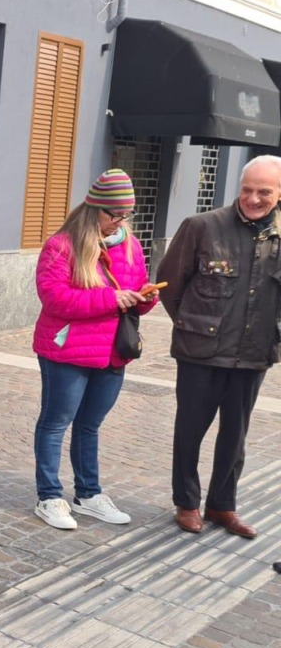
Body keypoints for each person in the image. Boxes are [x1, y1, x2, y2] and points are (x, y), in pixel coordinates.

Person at [156, 155, 281, 539]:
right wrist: (195, 326)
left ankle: (222, 505)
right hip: (201, 353)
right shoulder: (201, 227)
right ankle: (187, 502)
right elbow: (169, 285)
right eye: (247, 189)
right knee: (190, 431)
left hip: (254, 353)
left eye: (264, 191)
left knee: (235, 435)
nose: (253, 198)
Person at [31, 170, 158, 530]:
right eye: (112, 214)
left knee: (90, 426)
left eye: (124, 215)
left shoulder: (130, 246)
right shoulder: (62, 245)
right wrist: (110, 298)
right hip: (67, 350)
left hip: (112, 351)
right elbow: (54, 298)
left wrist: (145, 299)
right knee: (56, 423)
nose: (118, 221)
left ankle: (88, 494)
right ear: (93, 208)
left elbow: (130, 298)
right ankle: (49, 496)